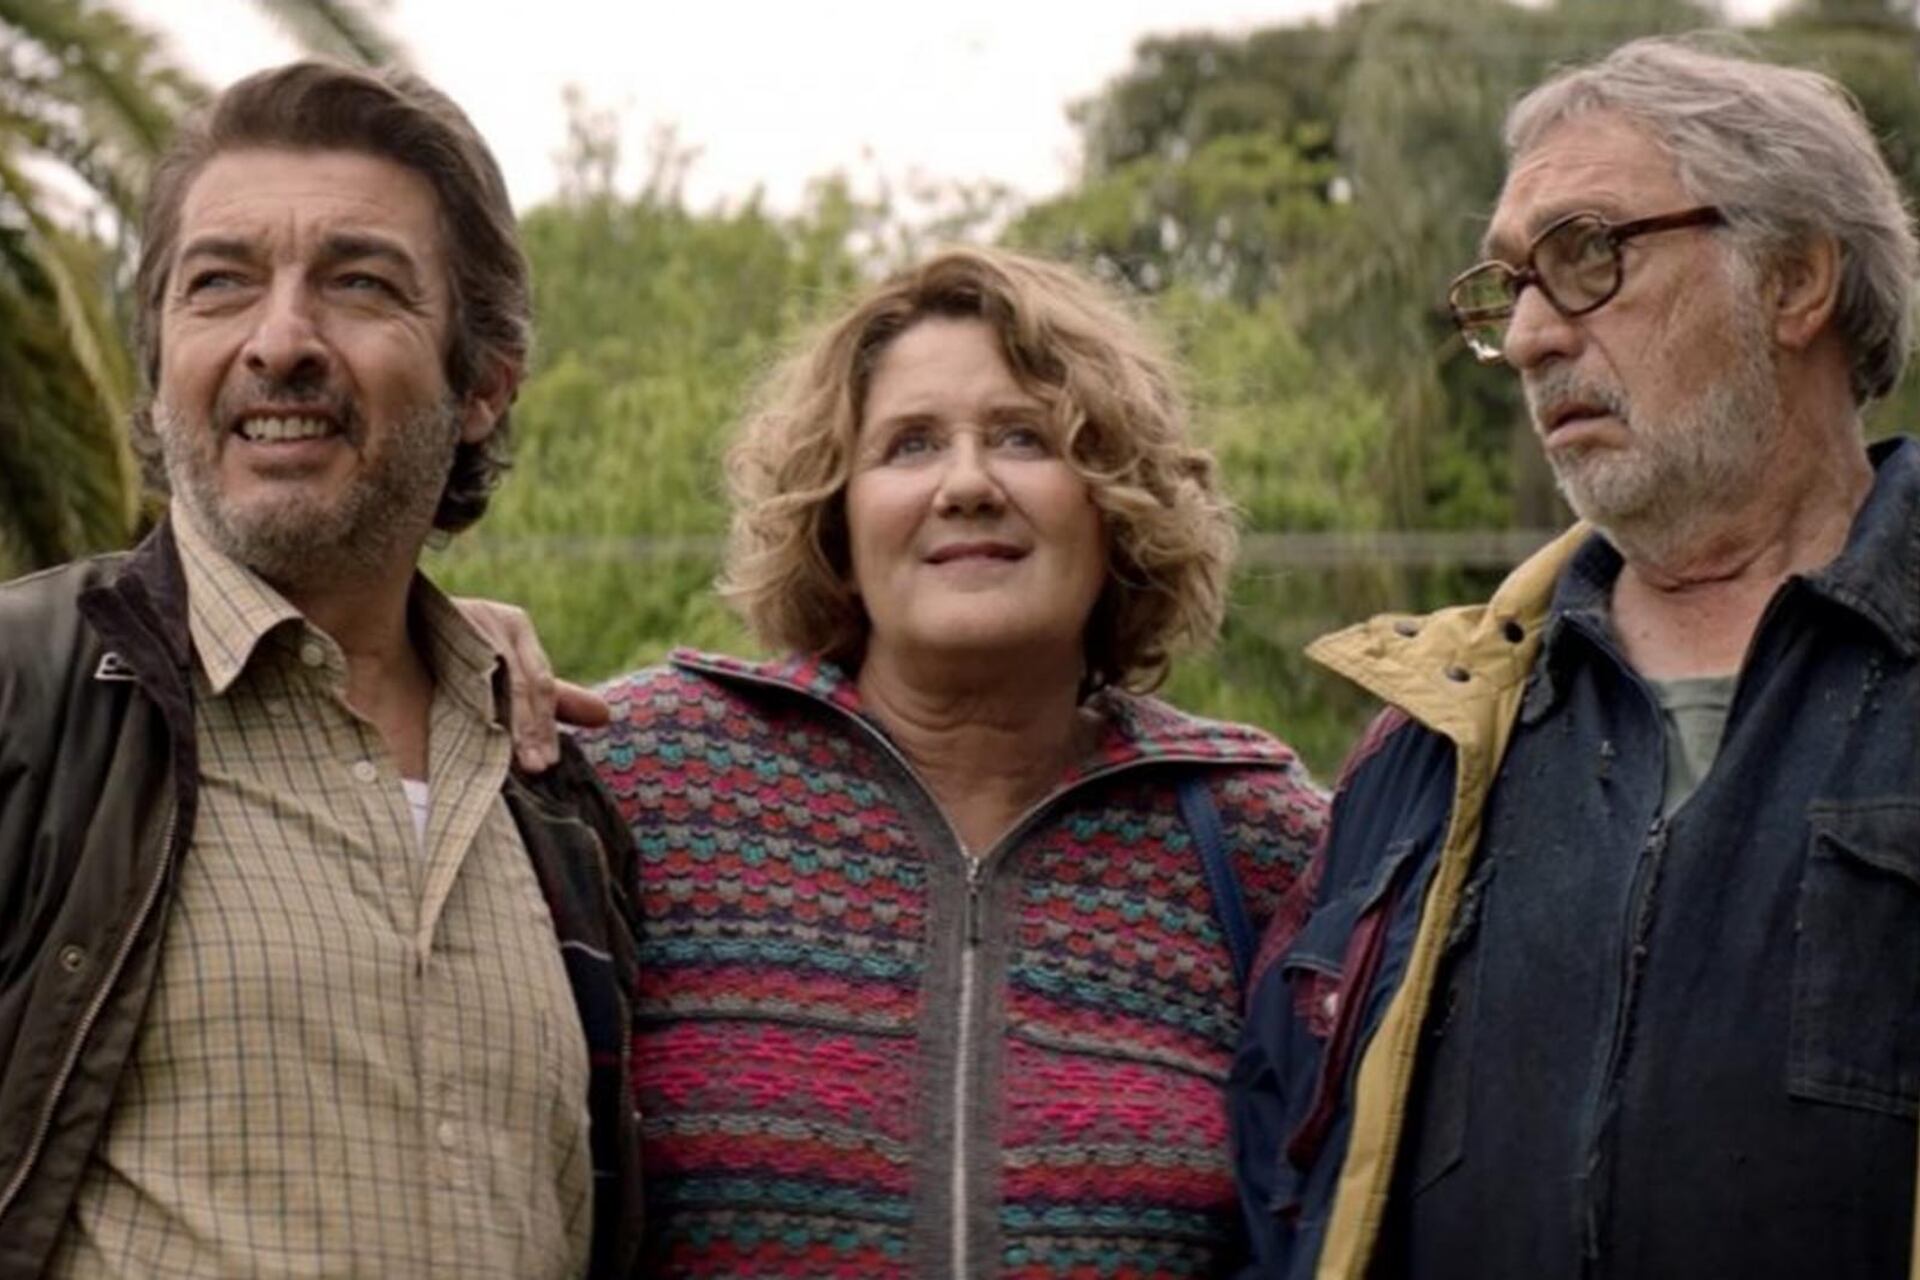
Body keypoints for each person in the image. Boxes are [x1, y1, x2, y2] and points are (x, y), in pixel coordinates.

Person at [1230, 34, 1920, 1280]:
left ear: (1795, 277)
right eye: (1509, 288)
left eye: (1587, 254)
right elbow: (1284, 1183)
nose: (1531, 338)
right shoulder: (1427, 747)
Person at [0, 63, 642, 1278]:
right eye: (219, 283)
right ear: (160, 358)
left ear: (482, 385)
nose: (281, 340)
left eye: (358, 282)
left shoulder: (558, 807)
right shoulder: (26, 704)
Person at [570, 246, 1327, 1275]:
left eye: (1024, 437)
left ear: (1114, 501)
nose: (967, 484)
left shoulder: (1259, 843)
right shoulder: (641, 777)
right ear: (838, 516)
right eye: (910, 444)